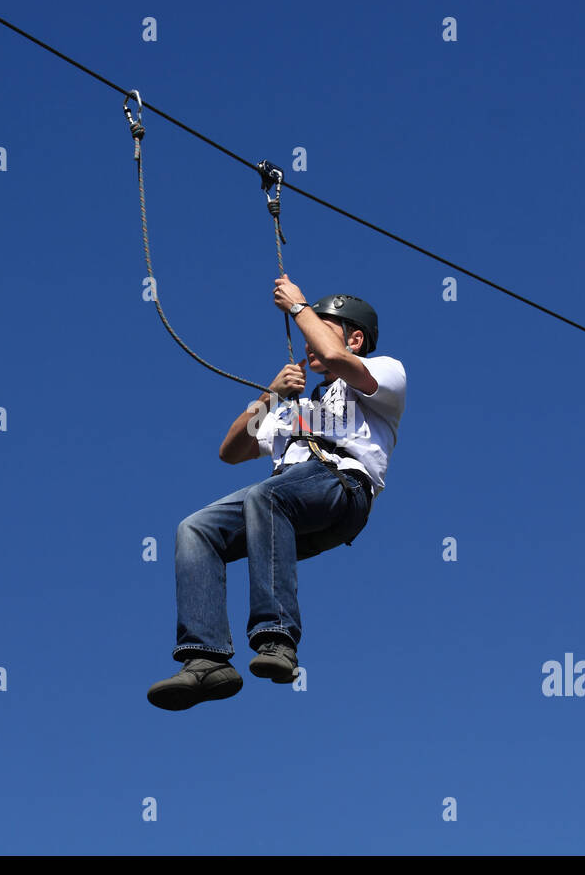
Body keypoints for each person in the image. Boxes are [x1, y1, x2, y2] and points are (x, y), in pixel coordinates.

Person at [146, 275, 408, 710]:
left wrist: (298, 306)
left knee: (265, 496)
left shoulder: (384, 374)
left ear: (355, 338)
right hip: (287, 503)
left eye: (324, 326)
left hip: (341, 486)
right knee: (195, 530)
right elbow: (231, 451)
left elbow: (331, 353)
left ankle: (277, 636)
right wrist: (270, 395)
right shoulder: (298, 408)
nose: (311, 341)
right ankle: (205, 658)